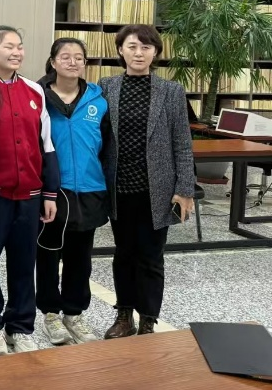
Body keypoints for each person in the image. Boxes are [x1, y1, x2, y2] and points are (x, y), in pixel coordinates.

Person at [0, 25, 58, 356]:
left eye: (20, 46)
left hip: (29, 196)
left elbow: (46, 144)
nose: (17, 52)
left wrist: (49, 192)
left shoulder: (34, 90)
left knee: (24, 263)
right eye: (9, 46)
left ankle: (21, 326)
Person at [100, 24, 194, 339]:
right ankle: (124, 316)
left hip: (158, 189)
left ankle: (148, 321)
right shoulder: (106, 86)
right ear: (120, 50)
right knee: (123, 253)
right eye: (132, 46)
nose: (139, 53)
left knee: (151, 256)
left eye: (146, 47)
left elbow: (182, 143)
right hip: (119, 186)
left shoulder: (171, 91)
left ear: (155, 52)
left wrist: (184, 189)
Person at [36, 37, 112, 346]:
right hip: (54, 190)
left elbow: (108, 147)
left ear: (85, 63)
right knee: (48, 253)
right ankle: (50, 314)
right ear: (53, 62)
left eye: (78, 57)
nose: (72, 61)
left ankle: (74, 312)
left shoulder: (99, 100)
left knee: (80, 258)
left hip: (91, 189)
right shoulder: (38, 97)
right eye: (65, 56)